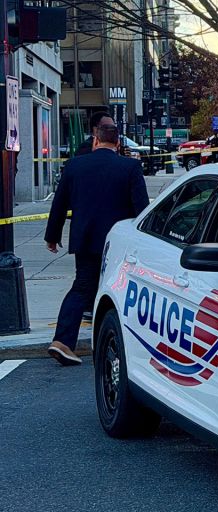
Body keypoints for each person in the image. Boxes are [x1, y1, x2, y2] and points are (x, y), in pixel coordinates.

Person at [44, 116, 149, 366]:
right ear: (118, 142)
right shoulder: (130, 168)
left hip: (86, 238)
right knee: (119, 290)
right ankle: (121, 344)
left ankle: (62, 341)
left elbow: (59, 205)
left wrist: (52, 236)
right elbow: (142, 209)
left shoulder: (74, 166)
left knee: (82, 287)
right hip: (119, 242)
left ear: (96, 139)